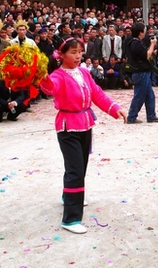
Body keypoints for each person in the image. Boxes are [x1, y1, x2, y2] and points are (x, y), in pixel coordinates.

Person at [40, 37, 127, 234]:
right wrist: (41, 76)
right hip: (67, 127)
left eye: (80, 51)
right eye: (73, 52)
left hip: (85, 124)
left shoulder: (84, 73)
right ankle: (70, 219)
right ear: (61, 55)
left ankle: (68, 196)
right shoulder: (58, 76)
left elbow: (96, 93)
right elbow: (49, 87)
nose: (78, 56)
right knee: (75, 171)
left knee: (79, 166)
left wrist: (115, 109)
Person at [126, 23, 158, 124]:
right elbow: (146, 55)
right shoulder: (135, 43)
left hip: (143, 72)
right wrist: (152, 44)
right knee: (139, 96)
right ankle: (131, 117)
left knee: (150, 95)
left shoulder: (135, 42)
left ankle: (151, 115)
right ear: (140, 32)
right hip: (140, 72)